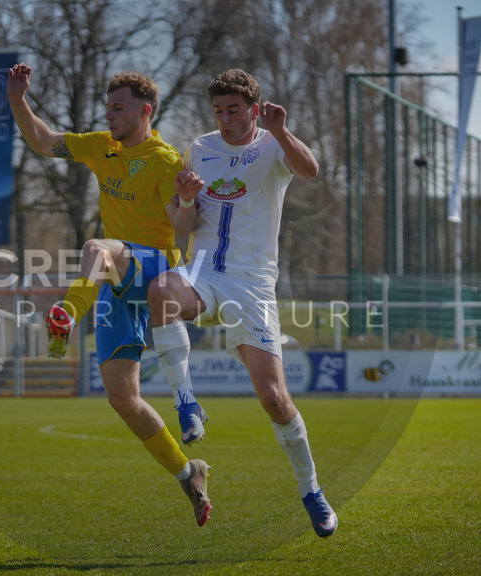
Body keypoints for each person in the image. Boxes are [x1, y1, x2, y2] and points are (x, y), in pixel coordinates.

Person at [6, 63, 211, 527]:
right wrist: (18, 99)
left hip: (157, 267)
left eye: (118, 108)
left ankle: (66, 314)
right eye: (108, 108)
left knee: (97, 246)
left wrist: (183, 200)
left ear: (145, 111)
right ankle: (188, 473)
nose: (110, 115)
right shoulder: (102, 146)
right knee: (122, 397)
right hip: (117, 278)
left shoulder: (163, 159)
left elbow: (184, 228)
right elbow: (42, 140)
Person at [147, 69, 337, 538]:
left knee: (274, 398)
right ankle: (186, 401)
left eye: (234, 110)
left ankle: (311, 490)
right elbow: (184, 228)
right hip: (204, 271)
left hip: (253, 285)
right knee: (160, 291)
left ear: (254, 109)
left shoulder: (273, 145)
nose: (225, 119)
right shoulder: (200, 148)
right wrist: (187, 201)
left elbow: (311, 170)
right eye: (219, 110)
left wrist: (281, 129)